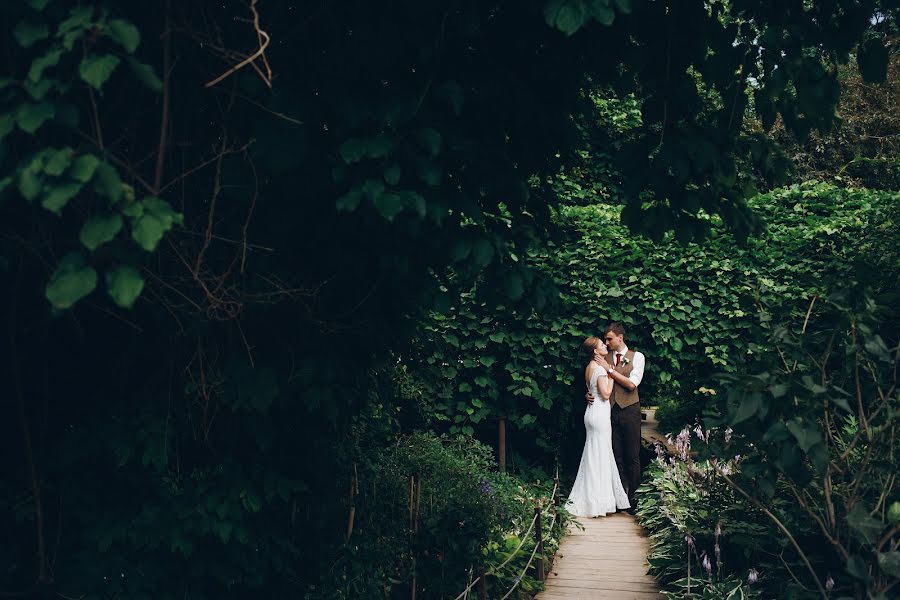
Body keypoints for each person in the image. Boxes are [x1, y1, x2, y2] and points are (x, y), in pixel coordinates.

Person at [566, 336, 630, 517]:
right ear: (595, 351)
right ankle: (597, 502)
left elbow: (592, 389)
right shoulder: (600, 370)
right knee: (600, 456)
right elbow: (605, 394)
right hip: (600, 414)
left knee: (593, 455)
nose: (605, 345)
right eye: (602, 344)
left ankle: (593, 499)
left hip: (591, 413)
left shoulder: (589, 368)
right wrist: (610, 376)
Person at [586, 322, 646, 514]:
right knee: (615, 456)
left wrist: (610, 370)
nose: (607, 342)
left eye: (610, 338)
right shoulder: (604, 356)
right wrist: (588, 394)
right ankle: (619, 500)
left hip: (630, 410)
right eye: (605, 339)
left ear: (621, 337)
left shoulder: (637, 357)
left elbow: (631, 385)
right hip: (608, 412)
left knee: (633, 456)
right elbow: (594, 380)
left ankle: (635, 500)